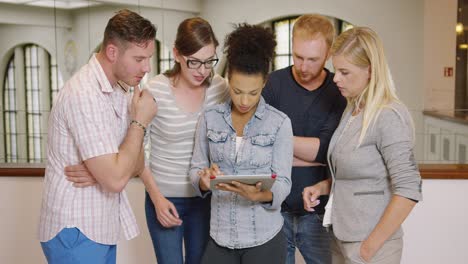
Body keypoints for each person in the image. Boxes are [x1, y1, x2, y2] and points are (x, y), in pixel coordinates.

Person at [38, 9, 157, 264]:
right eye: (139, 58)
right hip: (76, 230)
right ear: (112, 52)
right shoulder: (83, 94)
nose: (146, 68)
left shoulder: (119, 90)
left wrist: (106, 169)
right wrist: (139, 122)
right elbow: (116, 179)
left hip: (99, 226)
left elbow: (135, 165)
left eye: (148, 58)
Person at [303, 27, 422, 264]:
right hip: (340, 236)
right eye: (336, 70)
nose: (336, 78)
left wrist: (368, 249)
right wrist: (323, 187)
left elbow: (409, 189)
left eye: (345, 72)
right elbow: (360, 171)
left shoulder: (388, 115)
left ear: (370, 70)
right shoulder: (353, 108)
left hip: (369, 247)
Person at [190, 23, 293, 264]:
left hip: (264, 239)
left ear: (265, 82)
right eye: (237, 91)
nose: (244, 100)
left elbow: (284, 181)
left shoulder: (280, 123)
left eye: (253, 92)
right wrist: (203, 180)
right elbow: (196, 169)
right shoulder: (209, 118)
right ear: (227, 78)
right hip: (219, 237)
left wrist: (260, 195)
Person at [139, 17, 228, 264]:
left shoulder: (220, 88)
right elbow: (137, 150)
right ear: (177, 54)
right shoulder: (156, 90)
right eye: (194, 62)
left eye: (209, 62)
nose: (202, 71)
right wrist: (156, 198)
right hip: (164, 197)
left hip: (204, 198)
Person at [262, 14, 346, 264]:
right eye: (298, 56)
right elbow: (260, 143)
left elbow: (325, 151)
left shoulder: (338, 89)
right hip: (275, 209)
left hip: (321, 213)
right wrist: (313, 156)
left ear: (329, 53)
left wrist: (281, 144)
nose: (303, 66)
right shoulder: (274, 83)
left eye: (313, 59)